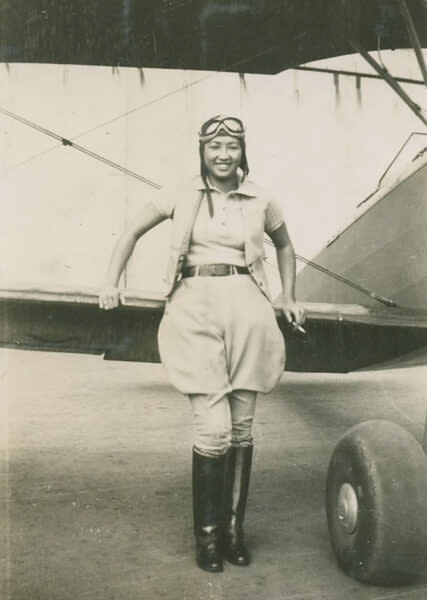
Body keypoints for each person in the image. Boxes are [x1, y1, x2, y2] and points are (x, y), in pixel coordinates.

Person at [98, 115, 305, 573]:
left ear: (242, 151)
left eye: (231, 146)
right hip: (194, 307)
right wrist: (110, 282)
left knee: (243, 428)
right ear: (202, 152)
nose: (223, 155)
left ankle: (234, 534)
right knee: (213, 432)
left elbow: (286, 246)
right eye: (214, 147)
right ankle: (207, 539)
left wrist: (288, 295)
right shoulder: (180, 193)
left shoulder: (262, 197)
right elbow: (131, 230)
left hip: (248, 309)